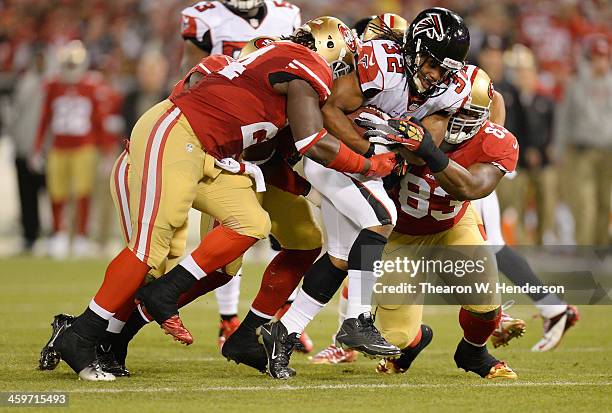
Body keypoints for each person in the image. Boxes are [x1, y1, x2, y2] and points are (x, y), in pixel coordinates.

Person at [51, 16, 396, 381]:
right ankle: (83, 334)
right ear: (329, 50)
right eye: (342, 62)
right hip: (178, 135)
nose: (340, 74)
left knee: (253, 224)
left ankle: (179, 302)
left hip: (218, 156)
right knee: (152, 251)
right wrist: (368, 164)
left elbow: (283, 142)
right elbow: (310, 141)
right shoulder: (303, 63)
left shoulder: (274, 60)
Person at [257, 8, 472, 379]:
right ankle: (356, 319)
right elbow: (328, 109)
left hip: (364, 166)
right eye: (432, 63)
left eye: (445, 70)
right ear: (415, 46)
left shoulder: (447, 90)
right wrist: (368, 149)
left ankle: (283, 333)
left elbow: (425, 143)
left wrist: (407, 143)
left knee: (341, 255)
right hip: (331, 154)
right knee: (382, 218)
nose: (436, 75)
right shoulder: (385, 63)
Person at [180, 0, 316, 352]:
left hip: (271, 144)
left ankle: (283, 318)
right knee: (228, 239)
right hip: (226, 143)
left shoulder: (288, 13)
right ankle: (228, 319)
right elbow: (189, 75)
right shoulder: (203, 15)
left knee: (296, 236)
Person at [373, 65, 518, 379]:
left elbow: (471, 187)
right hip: (401, 235)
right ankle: (415, 341)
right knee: (394, 338)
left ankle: (474, 352)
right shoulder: (408, 114)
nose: (456, 120)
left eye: (466, 113)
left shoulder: (492, 140)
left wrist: (427, 150)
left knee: (486, 304)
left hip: (451, 224)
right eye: (450, 110)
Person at [31, 40, 103, 258]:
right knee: (57, 193)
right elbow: (45, 118)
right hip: (59, 147)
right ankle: (58, 235)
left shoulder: (91, 85)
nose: (71, 68)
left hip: (84, 147)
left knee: (83, 193)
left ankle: (81, 236)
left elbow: (98, 119)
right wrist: (37, 147)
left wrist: (106, 148)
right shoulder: (53, 85)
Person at [555, 35, 612, 246]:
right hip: (582, 152)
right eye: (596, 57)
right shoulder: (576, 84)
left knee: (605, 203)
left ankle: (601, 249)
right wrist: (559, 150)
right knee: (584, 204)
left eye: (604, 57)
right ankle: (585, 250)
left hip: (608, 151)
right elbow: (563, 118)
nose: (601, 62)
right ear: (589, 59)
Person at [7, 46, 46, 253]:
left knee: (53, 195)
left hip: (45, 150)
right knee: (26, 195)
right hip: (24, 148)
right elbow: (14, 116)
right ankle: (29, 234)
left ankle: (54, 233)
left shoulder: (52, 83)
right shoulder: (25, 83)